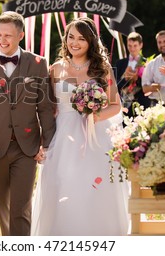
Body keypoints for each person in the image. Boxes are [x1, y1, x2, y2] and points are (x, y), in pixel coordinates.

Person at [31, 17, 129, 236]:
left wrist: (94, 116)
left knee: (95, 186)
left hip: (95, 136)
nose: (74, 43)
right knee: (63, 182)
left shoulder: (101, 69)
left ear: (90, 42)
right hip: (63, 136)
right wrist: (40, 141)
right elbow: (48, 109)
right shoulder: (55, 69)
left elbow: (116, 106)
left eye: (81, 39)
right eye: (71, 37)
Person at [0, 11, 56, 236]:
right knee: (2, 208)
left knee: (21, 208)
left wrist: (47, 144)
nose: (2, 40)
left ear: (20, 35)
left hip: (26, 147)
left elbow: (45, 107)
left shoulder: (38, 63)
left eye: (8, 35)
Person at [114, 32, 151, 116]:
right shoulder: (120, 63)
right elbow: (114, 85)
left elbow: (149, 84)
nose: (132, 49)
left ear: (141, 45)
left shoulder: (147, 63)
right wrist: (125, 79)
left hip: (142, 105)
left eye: (135, 45)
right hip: (124, 106)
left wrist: (137, 79)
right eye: (129, 46)